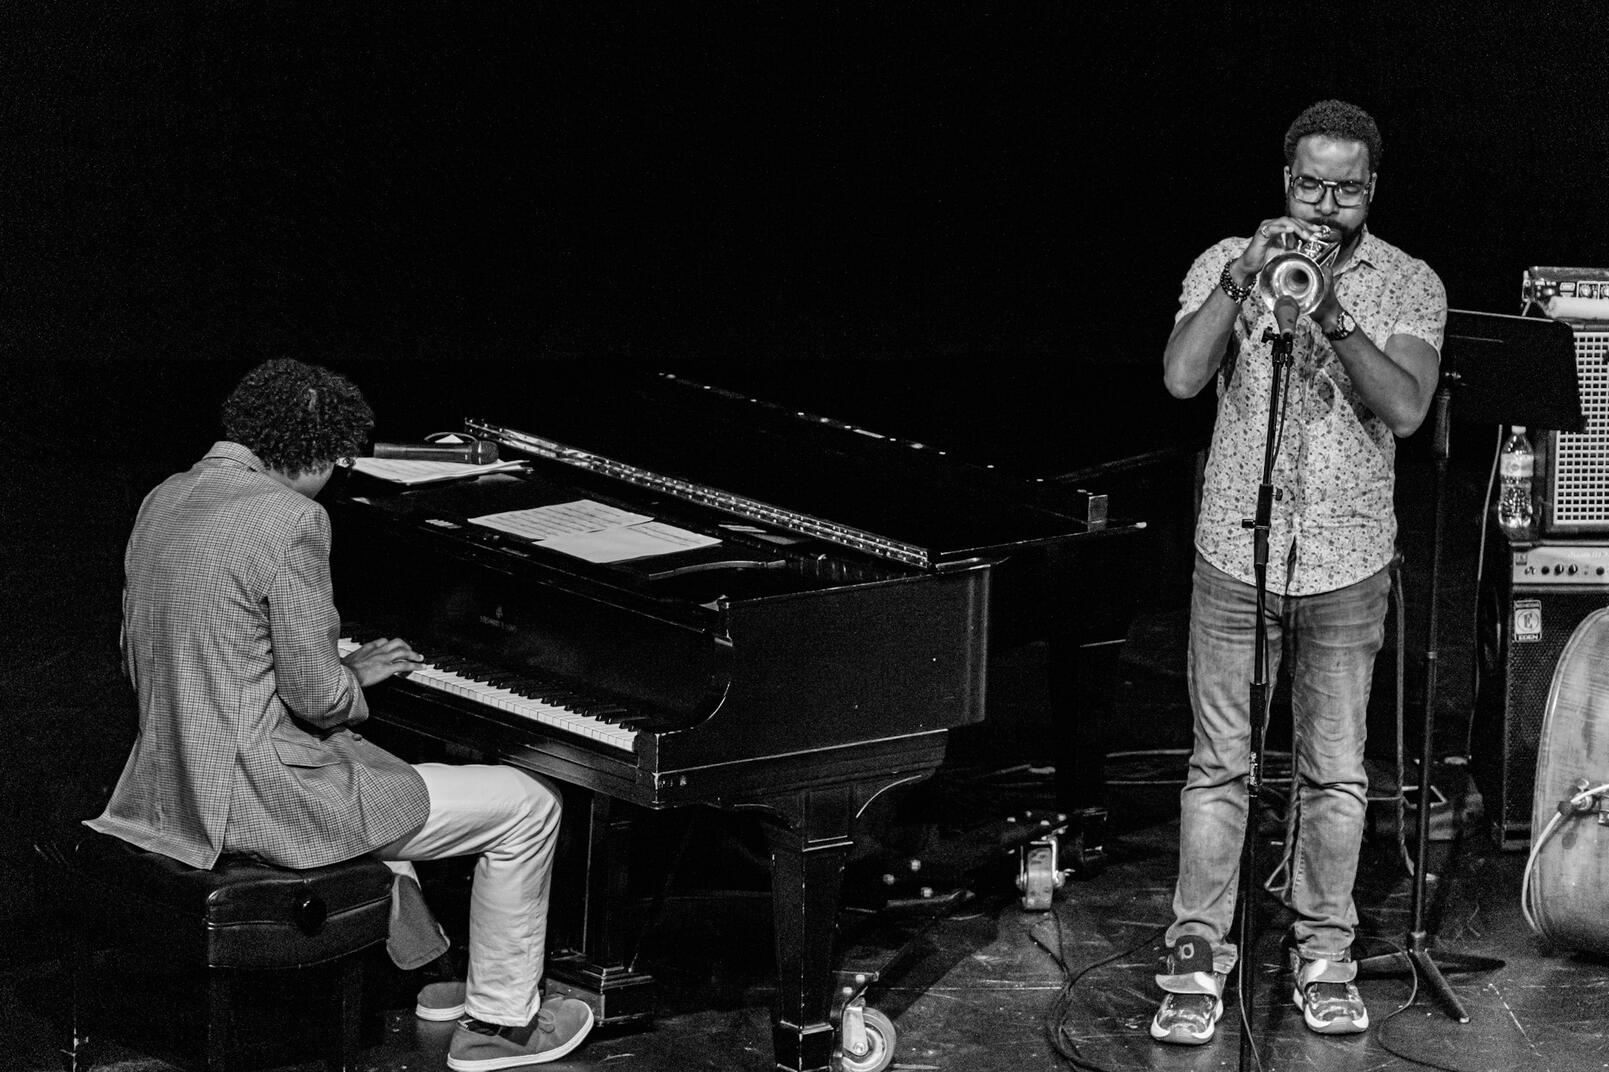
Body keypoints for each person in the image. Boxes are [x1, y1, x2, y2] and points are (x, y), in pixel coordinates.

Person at [87, 358, 595, 1070]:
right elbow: (317, 698)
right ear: (325, 454)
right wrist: (352, 675)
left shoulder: (166, 498)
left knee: (384, 779)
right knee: (528, 803)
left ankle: (435, 978)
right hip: (259, 800)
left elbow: (136, 658)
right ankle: (501, 1024)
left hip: (168, 789)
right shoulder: (293, 518)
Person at [1151, 100, 1445, 1044]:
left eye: (1346, 190)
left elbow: (1403, 409)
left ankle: (1324, 956)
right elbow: (1181, 379)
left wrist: (1332, 312)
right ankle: (1195, 963)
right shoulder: (1221, 261)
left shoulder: (1405, 282)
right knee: (1216, 768)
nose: (1325, 206)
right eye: (1311, 186)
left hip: (1349, 558)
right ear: (1285, 181)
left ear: (1371, 190)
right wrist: (1241, 283)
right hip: (1235, 551)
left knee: (1333, 775)